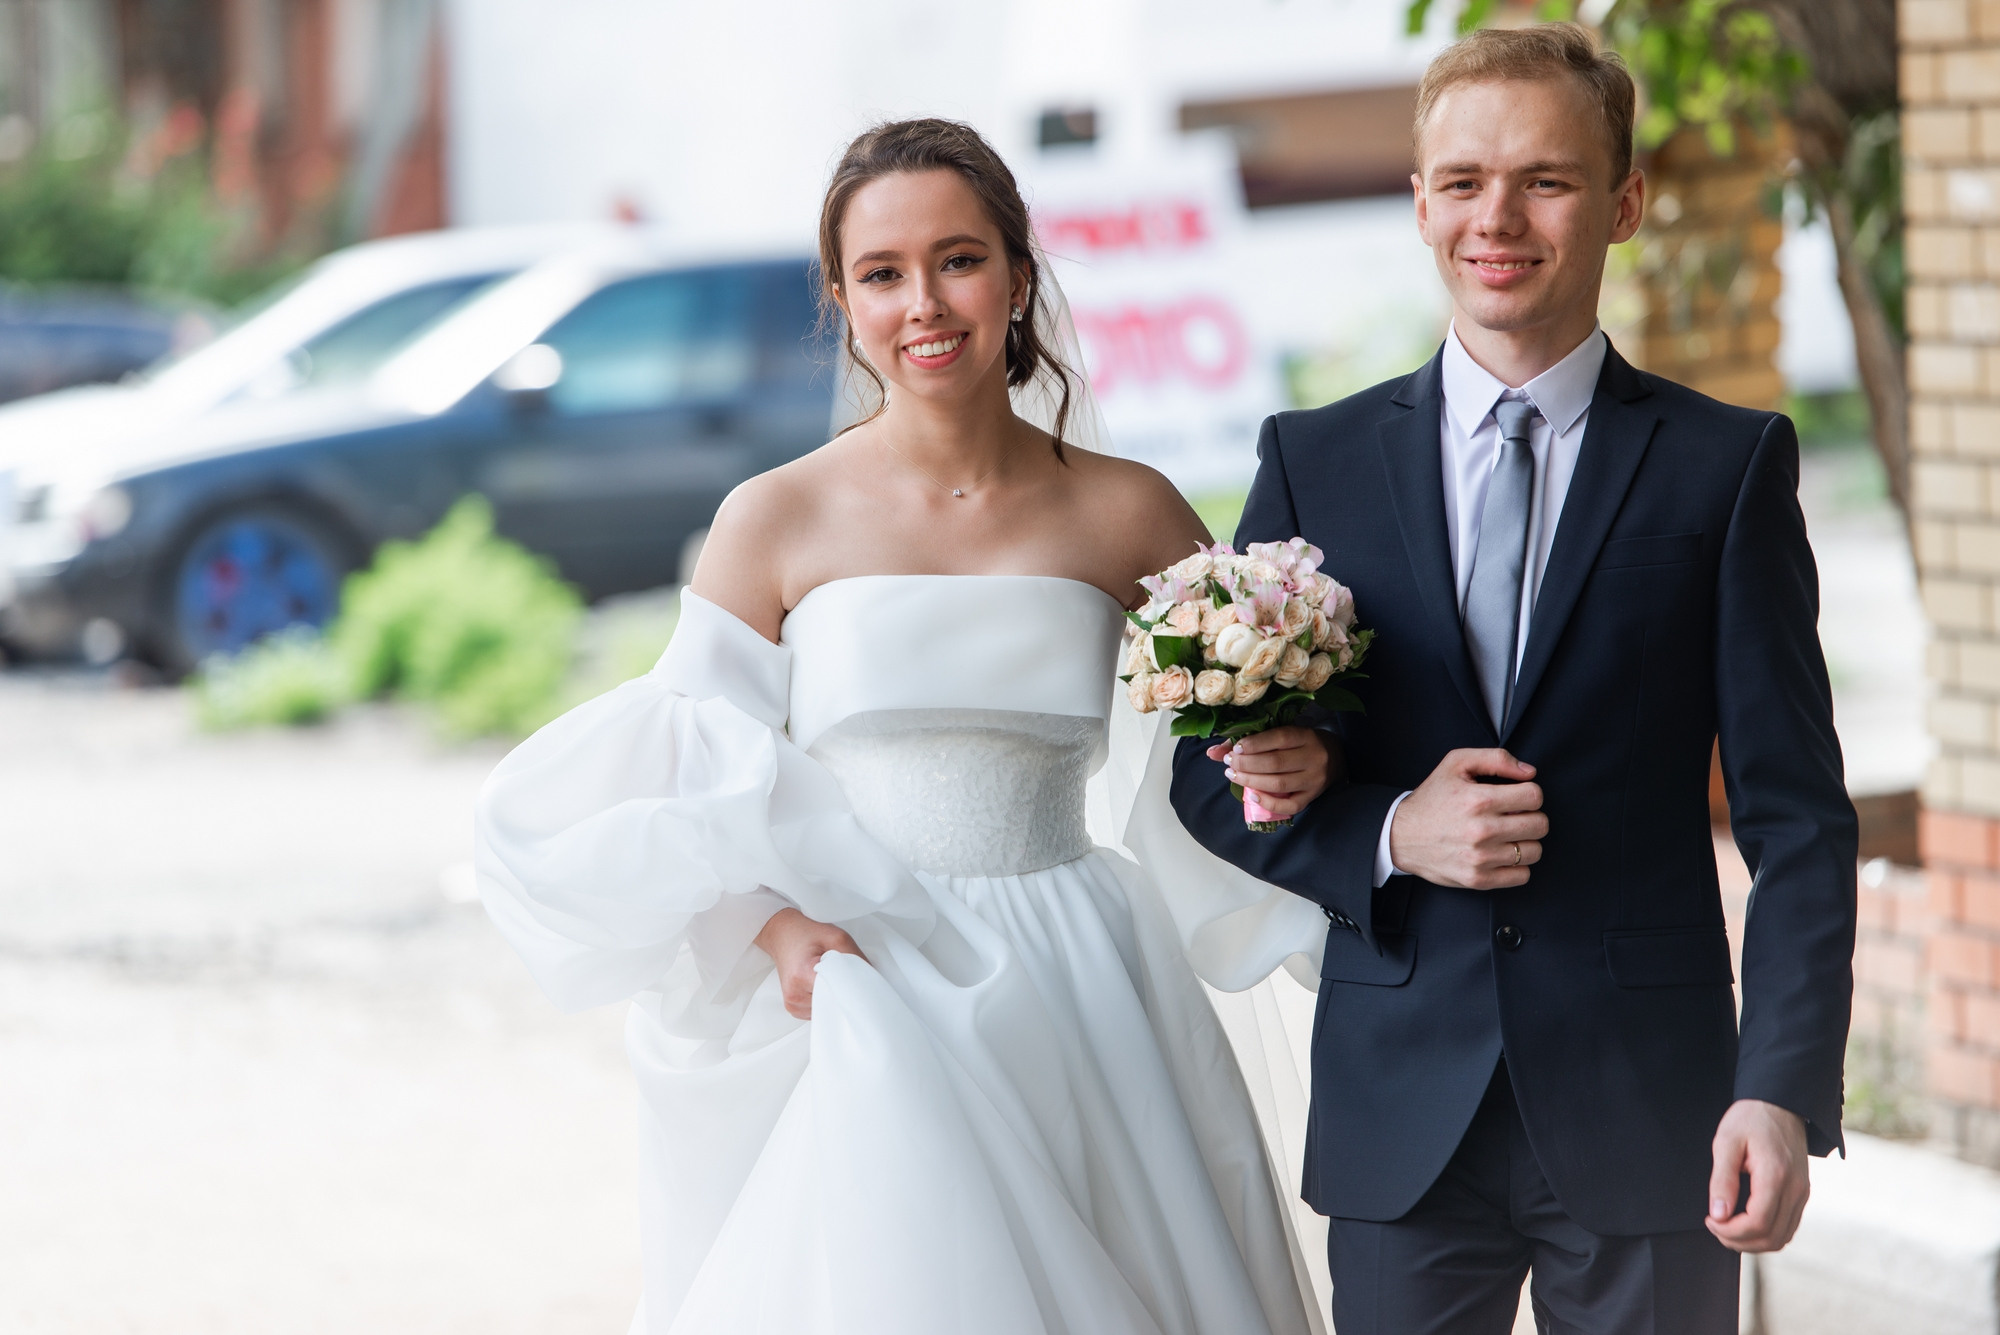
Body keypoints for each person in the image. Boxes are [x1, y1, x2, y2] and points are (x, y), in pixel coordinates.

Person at [474, 118, 1323, 1335]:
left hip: (1080, 979)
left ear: (1019, 276)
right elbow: (685, 780)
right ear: (842, 299)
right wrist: (774, 933)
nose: (922, 301)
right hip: (868, 979)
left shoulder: (1129, 512)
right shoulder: (771, 521)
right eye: (881, 273)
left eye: (958, 259)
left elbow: (1242, 752)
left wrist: (1286, 758)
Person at [1170, 23, 1856, 1335]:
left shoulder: (1726, 466)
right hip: (1401, 1114)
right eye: (1465, 178)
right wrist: (1387, 829)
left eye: (1545, 178)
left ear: (1625, 203)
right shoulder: (1315, 463)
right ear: (1421, 200)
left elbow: (1800, 821)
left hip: (1654, 1108)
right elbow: (1213, 783)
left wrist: (1778, 1084)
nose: (1501, 214)